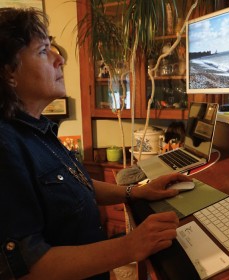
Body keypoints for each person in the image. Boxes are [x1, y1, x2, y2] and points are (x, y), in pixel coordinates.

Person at [0, 7, 191, 279]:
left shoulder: (39, 130)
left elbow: (75, 186)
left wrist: (134, 192)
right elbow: (32, 266)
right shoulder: (6, 147)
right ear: (8, 72)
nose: (59, 59)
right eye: (43, 51)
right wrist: (130, 246)